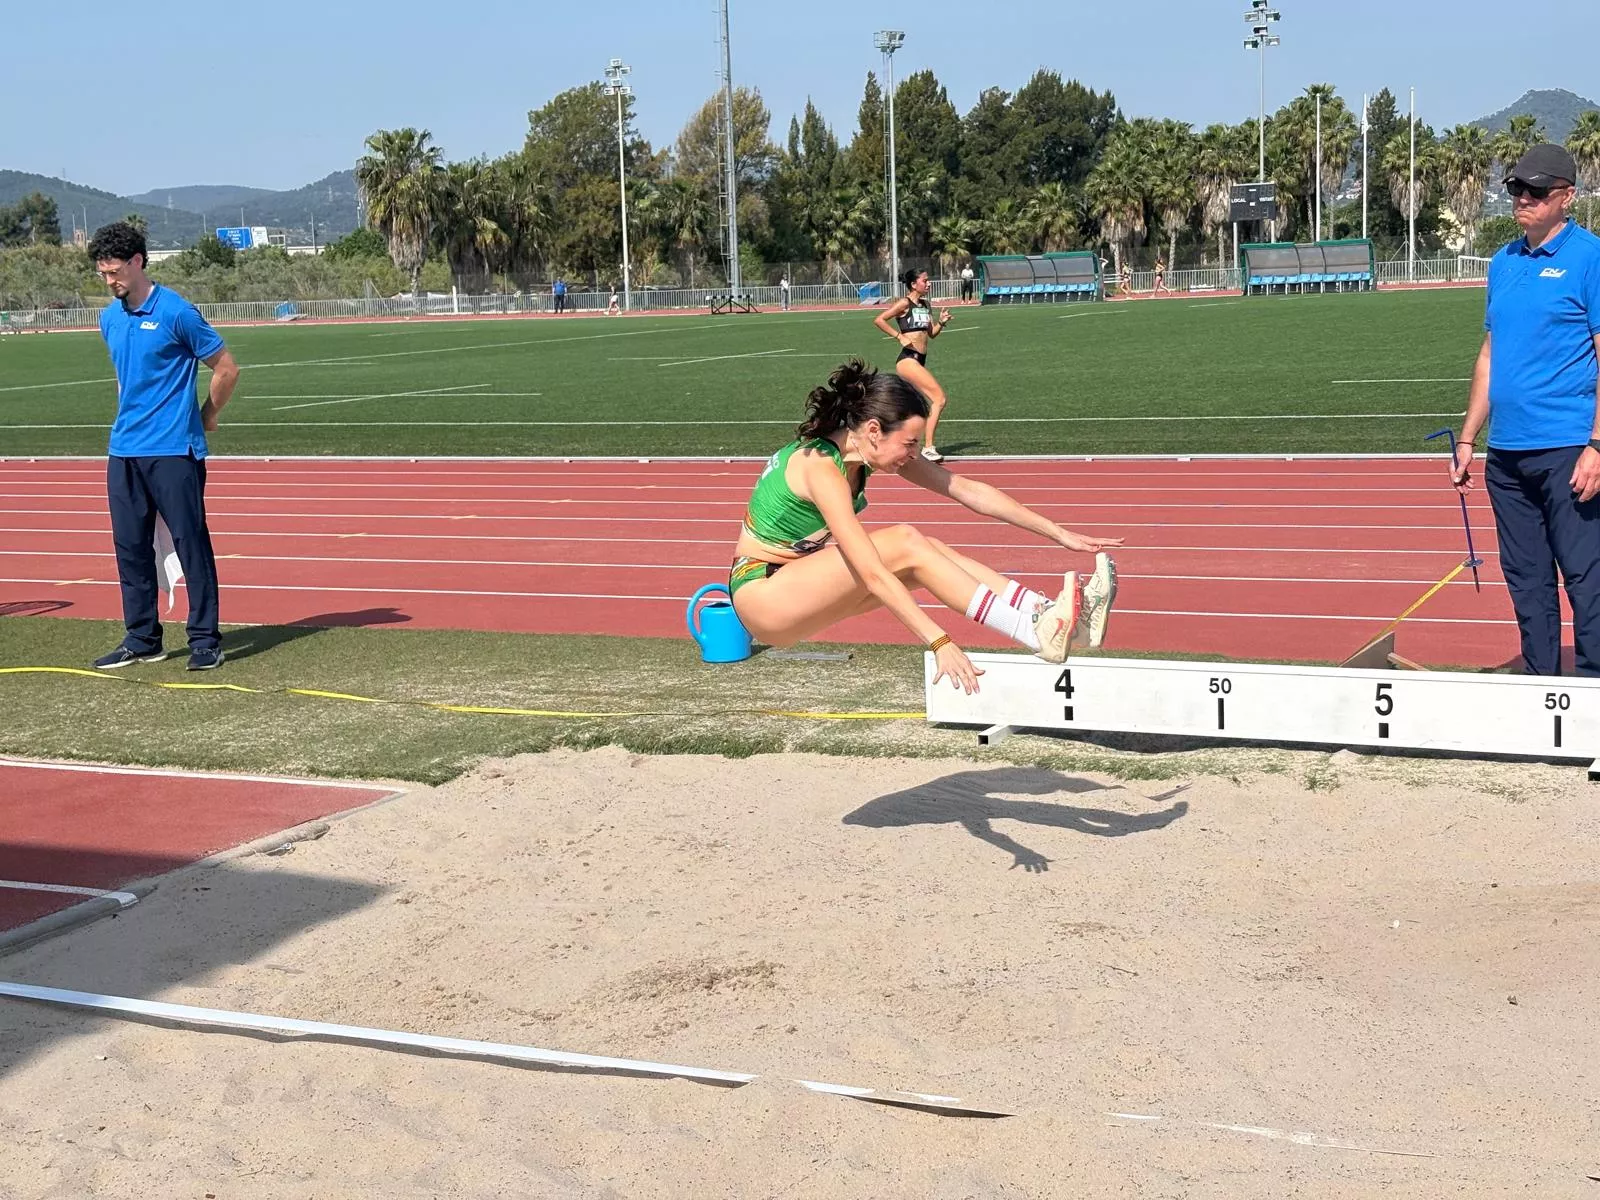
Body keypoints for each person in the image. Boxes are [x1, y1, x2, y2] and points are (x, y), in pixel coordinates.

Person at [728, 360, 1122, 694]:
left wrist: (1057, 532)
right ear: (873, 431)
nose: (914, 454)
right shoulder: (820, 468)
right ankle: (1035, 633)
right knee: (906, 542)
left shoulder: (868, 452)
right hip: (763, 595)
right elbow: (869, 571)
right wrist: (939, 641)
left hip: (794, 586)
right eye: (910, 443)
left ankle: (1047, 617)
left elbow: (966, 490)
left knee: (927, 549)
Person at [1450, 144, 1600, 676]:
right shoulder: (1504, 262)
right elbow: (1491, 355)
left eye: (1536, 190)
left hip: (1567, 446)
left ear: (1566, 197)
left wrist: (1597, 446)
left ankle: (1592, 689)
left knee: (1585, 575)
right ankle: (1542, 686)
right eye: (1516, 188)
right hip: (1507, 454)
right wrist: (1469, 438)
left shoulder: (1590, 257)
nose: (1523, 199)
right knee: (1526, 577)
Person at [87, 221, 239, 671]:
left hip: (174, 449)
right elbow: (124, 379)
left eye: (114, 271)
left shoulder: (177, 312)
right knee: (130, 546)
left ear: (137, 261)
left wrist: (206, 415)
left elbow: (226, 368)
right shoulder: (109, 316)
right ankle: (142, 637)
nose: (109, 280)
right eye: (102, 273)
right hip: (124, 450)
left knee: (191, 543)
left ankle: (205, 639)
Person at [873, 268, 953, 462]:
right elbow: (879, 320)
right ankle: (928, 448)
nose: (929, 283)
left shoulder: (926, 305)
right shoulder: (904, 303)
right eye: (925, 280)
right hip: (908, 359)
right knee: (939, 399)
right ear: (913, 284)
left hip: (919, 359)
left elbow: (931, 333)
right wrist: (899, 336)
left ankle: (888, 442)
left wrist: (941, 323)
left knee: (909, 408)